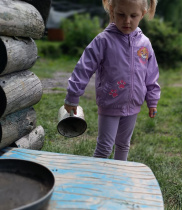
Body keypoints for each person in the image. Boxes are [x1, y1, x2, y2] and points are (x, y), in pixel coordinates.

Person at [64, 0, 160, 161]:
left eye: (133, 15)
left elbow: (151, 75)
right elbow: (83, 68)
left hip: (133, 105)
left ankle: (117, 180)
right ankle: (96, 181)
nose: (127, 20)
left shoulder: (145, 44)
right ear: (112, 11)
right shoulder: (103, 41)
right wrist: (73, 96)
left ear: (142, 14)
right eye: (121, 14)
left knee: (123, 145)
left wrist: (152, 100)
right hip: (110, 102)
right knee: (104, 147)